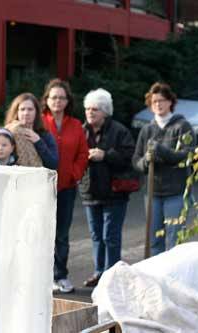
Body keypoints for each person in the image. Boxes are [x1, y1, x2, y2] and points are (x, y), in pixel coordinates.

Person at [78, 88, 136, 287]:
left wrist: (105, 155)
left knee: (110, 236)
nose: (90, 112)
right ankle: (99, 271)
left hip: (114, 192)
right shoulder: (81, 130)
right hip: (89, 191)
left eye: (95, 109)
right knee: (96, 236)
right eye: (87, 109)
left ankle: (113, 276)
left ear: (105, 111)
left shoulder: (120, 131)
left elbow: (130, 158)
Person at [132, 82, 195, 257]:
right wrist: (146, 160)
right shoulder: (147, 129)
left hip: (176, 192)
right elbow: (135, 160)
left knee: (175, 240)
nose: (158, 104)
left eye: (162, 100)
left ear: (170, 102)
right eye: (154, 102)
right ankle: (157, 280)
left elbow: (188, 156)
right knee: (154, 240)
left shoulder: (182, 126)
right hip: (153, 193)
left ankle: (175, 280)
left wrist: (162, 151)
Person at [41, 78, 89, 293]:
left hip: (67, 187)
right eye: (54, 97)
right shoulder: (40, 122)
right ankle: (44, 276)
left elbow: (82, 153)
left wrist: (74, 173)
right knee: (42, 232)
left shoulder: (76, 124)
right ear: (47, 100)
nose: (58, 101)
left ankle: (61, 275)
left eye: (62, 97)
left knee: (61, 233)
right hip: (41, 188)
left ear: (67, 101)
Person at [4, 92, 58, 169]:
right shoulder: (7, 133)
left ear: (36, 112)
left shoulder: (45, 135)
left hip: (39, 178)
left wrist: (38, 142)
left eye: (30, 109)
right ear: (16, 112)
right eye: (22, 109)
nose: (26, 113)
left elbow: (53, 164)